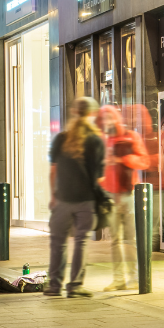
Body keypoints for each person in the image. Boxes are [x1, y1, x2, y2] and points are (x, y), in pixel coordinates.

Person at [45, 97, 105, 298]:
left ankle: (54, 286)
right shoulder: (96, 141)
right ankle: (75, 286)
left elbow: (53, 170)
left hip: (62, 199)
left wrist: (54, 195)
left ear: (74, 113)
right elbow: (99, 176)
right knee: (81, 242)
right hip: (86, 200)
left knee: (58, 242)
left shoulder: (61, 138)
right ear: (92, 115)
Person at [97, 106, 147, 291]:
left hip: (128, 195)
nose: (107, 122)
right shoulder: (103, 141)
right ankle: (118, 279)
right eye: (104, 119)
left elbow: (144, 161)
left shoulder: (130, 136)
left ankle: (133, 277)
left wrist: (123, 159)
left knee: (130, 240)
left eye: (110, 117)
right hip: (110, 196)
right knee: (115, 241)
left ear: (117, 118)